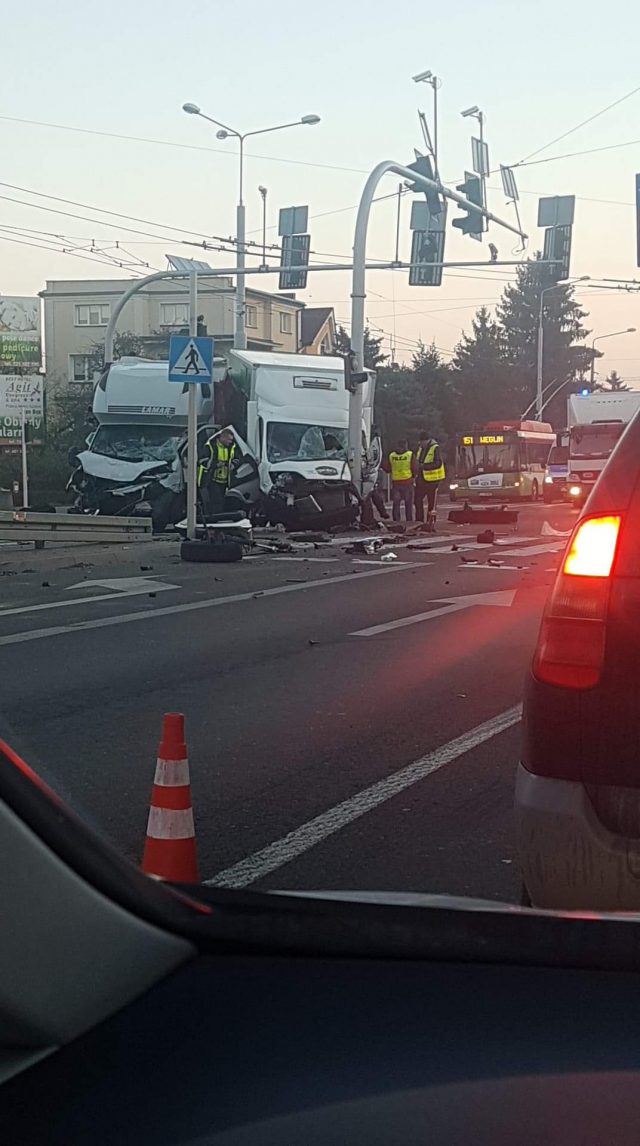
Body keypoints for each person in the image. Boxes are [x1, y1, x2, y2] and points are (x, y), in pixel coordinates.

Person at [197, 427, 237, 517]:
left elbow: (236, 458)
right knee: (216, 502)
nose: (230, 442)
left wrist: (233, 464)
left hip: (225, 480)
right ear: (222, 438)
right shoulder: (210, 446)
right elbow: (202, 460)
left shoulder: (231, 447)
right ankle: (215, 519)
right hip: (212, 479)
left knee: (221, 501)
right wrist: (215, 465)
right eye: (229, 440)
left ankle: (217, 519)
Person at [414, 429, 445, 531]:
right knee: (417, 501)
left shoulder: (435, 448)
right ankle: (419, 522)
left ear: (426, 441)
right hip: (421, 480)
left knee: (432, 504)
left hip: (432, 481)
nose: (420, 444)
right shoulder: (420, 449)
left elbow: (438, 463)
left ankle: (430, 523)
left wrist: (424, 466)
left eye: (422, 442)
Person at [384, 437, 415, 523]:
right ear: (405, 445)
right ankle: (409, 521)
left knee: (396, 502)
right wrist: (414, 476)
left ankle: (396, 520)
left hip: (396, 482)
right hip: (407, 481)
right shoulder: (409, 454)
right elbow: (414, 467)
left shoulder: (392, 456)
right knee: (408, 503)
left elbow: (387, 468)